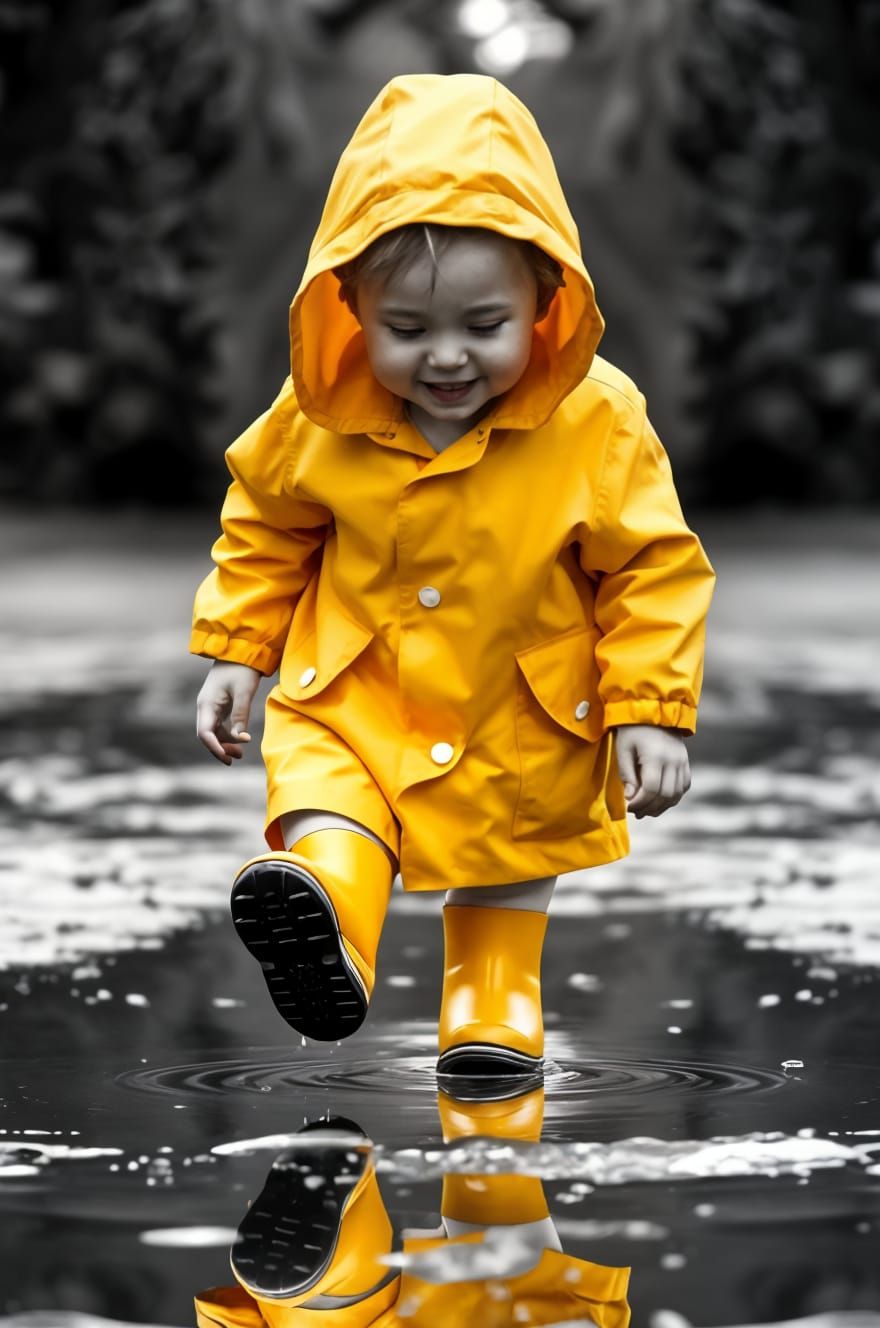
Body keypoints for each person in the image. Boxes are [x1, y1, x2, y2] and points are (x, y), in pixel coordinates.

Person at [191, 72, 715, 1077]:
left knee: (509, 863)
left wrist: (650, 704)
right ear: (347, 304)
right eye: (407, 329)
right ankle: (328, 915)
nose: (446, 357)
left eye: (483, 326)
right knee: (330, 806)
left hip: (519, 703)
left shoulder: (596, 420)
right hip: (352, 687)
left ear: (545, 297)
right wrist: (237, 645)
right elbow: (264, 521)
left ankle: (491, 999)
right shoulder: (315, 411)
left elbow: (650, 565)